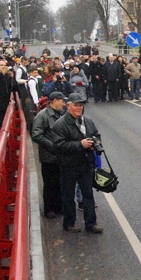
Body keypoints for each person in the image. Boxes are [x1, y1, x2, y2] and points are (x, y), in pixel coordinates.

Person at [51, 93, 103, 233]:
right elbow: (58, 146)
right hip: (68, 165)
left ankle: (91, 223)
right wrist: (80, 144)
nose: (79, 108)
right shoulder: (60, 124)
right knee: (68, 196)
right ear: (68, 106)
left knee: (88, 195)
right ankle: (69, 223)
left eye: (81, 105)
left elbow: (96, 135)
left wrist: (96, 143)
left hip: (85, 164)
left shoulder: (88, 121)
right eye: (76, 105)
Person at [32, 91, 66, 219]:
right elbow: (36, 135)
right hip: (49, 157)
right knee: (50, 183)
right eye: (62, 101)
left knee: (60, 182)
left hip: (60, 156)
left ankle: (59, 206)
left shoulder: (61, 114)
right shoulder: (42, 116)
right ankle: (49, 209)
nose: (64, 104)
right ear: (55, 101)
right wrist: (53, 146)